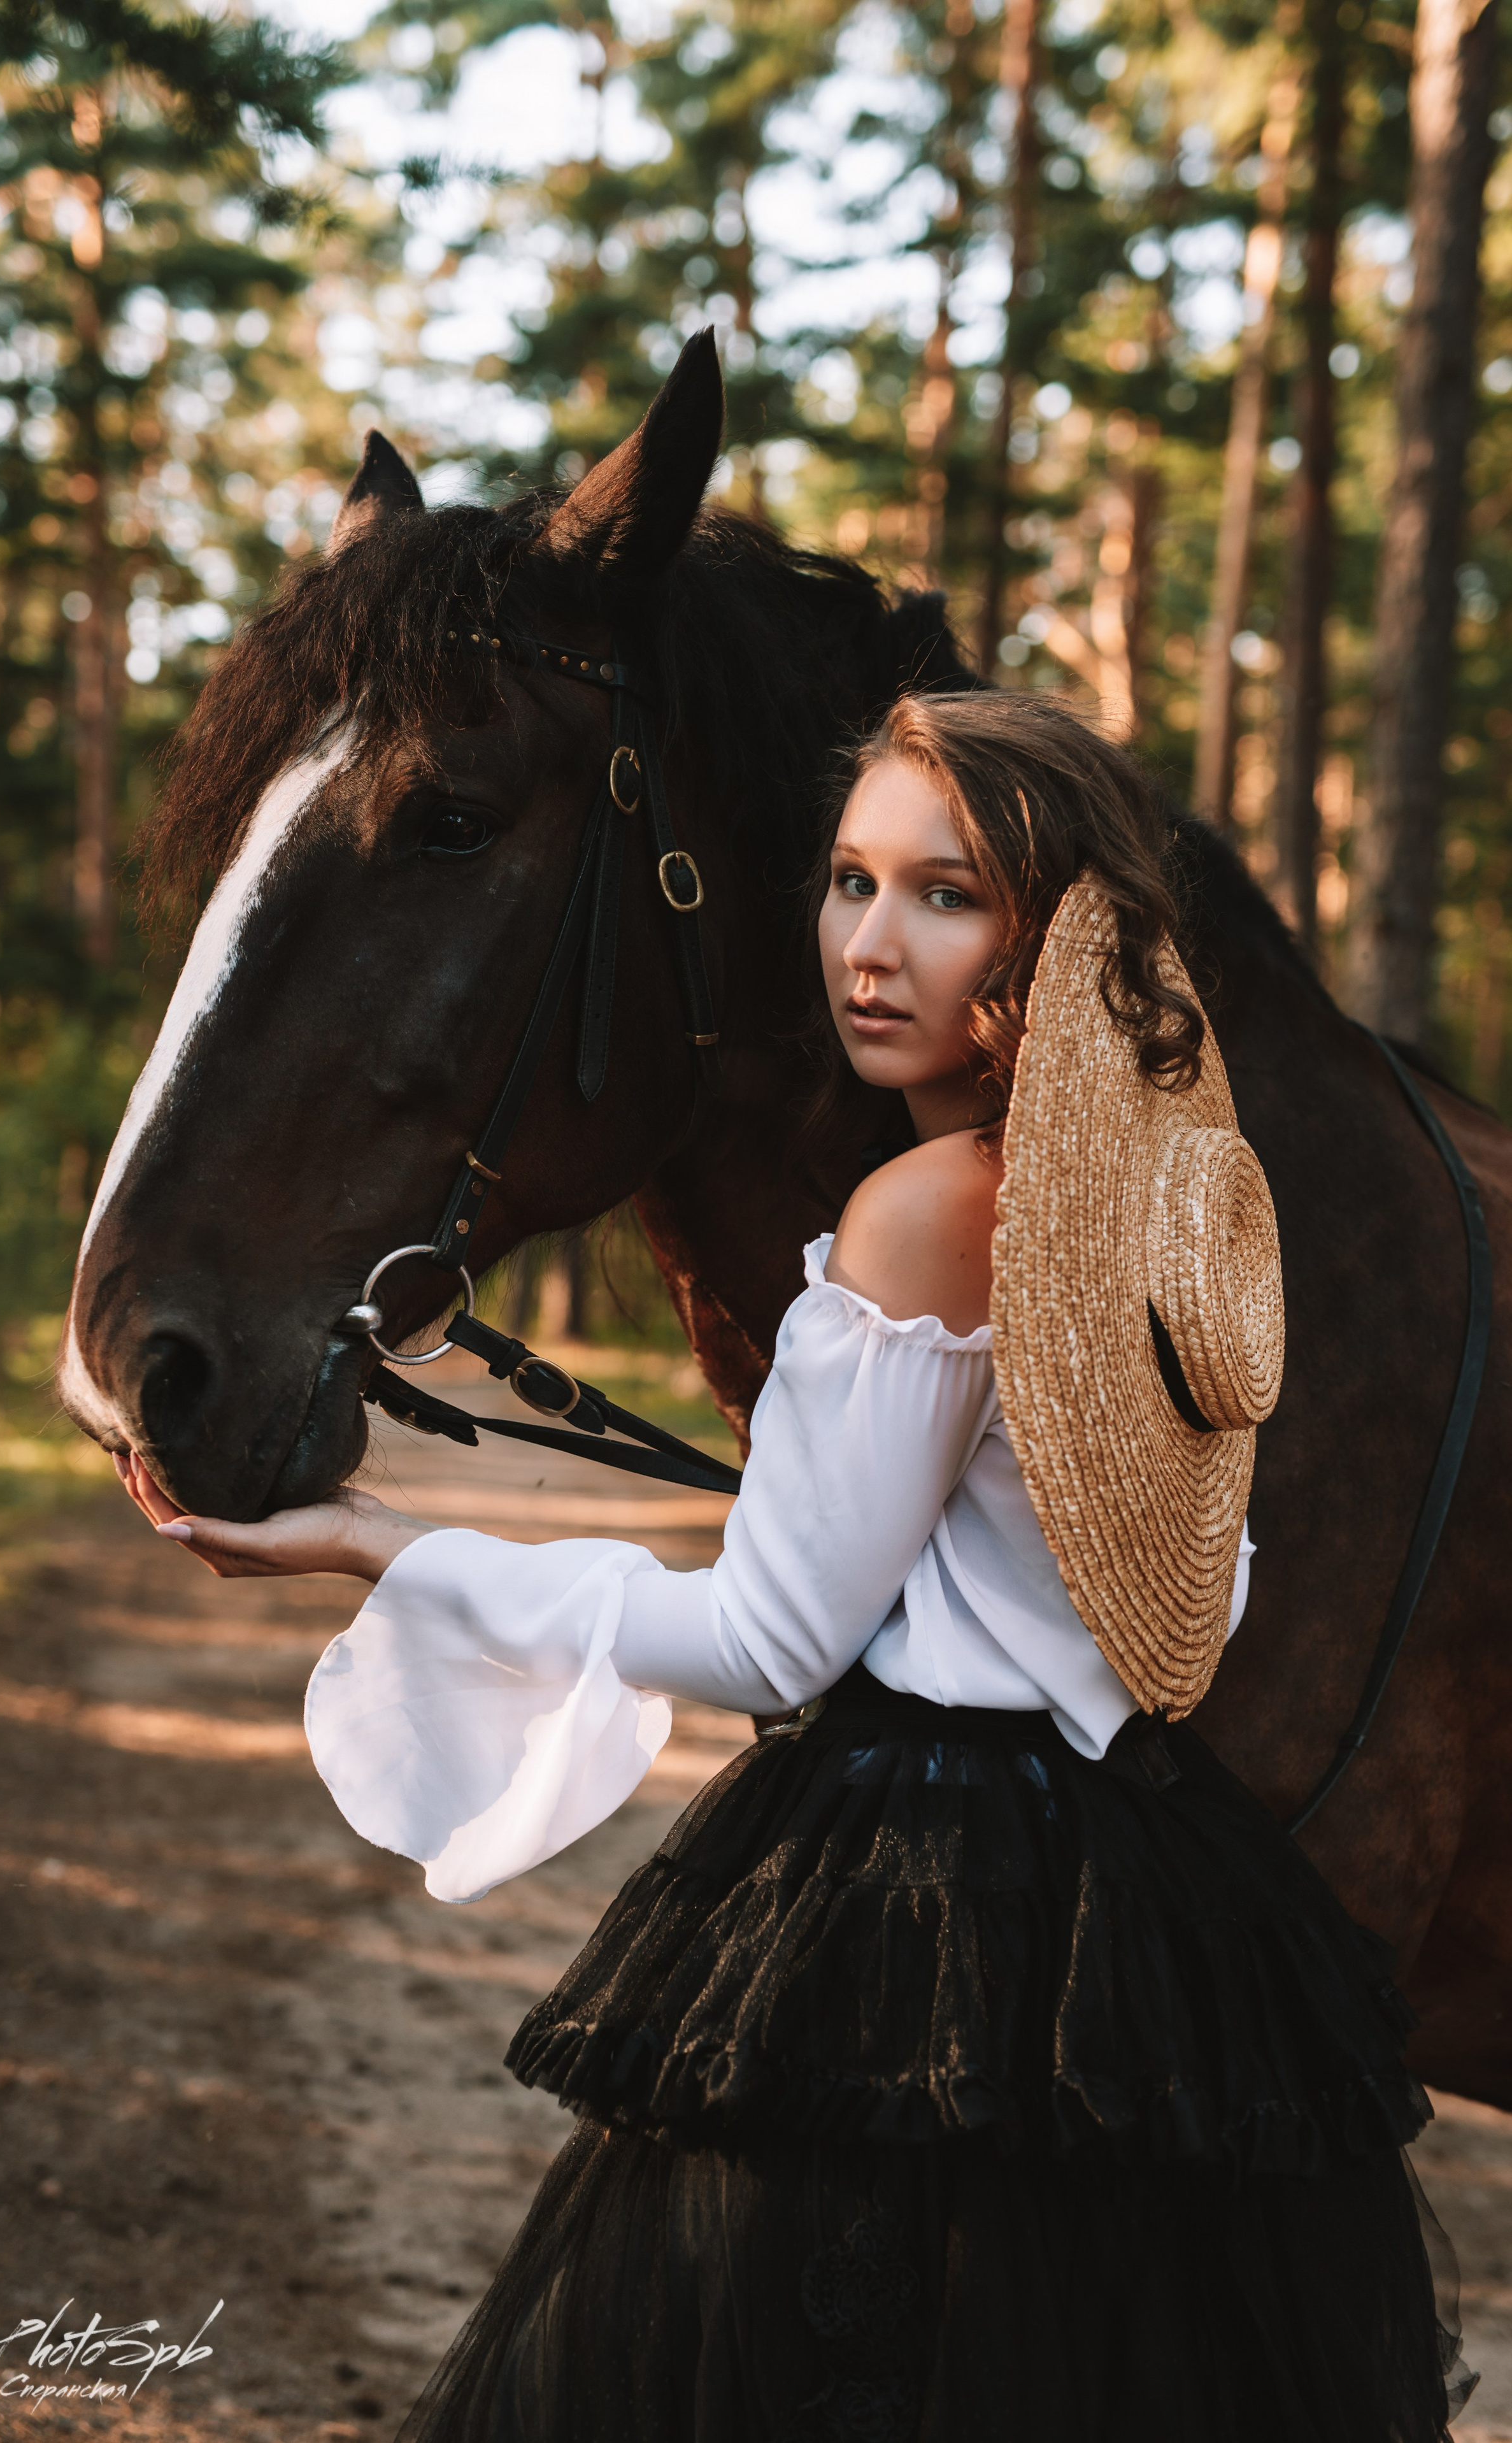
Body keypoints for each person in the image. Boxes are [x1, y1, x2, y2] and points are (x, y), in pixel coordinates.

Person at [118, 689, 1469, 2442]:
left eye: (944, 893)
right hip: (1139, 1886)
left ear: (1052, 938)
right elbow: (1185, 1608)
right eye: (848, 880)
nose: (868, 945)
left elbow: (765, 1638)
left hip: (922, 1901)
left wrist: (388, 1544)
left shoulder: (931, 1209)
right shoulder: (1163, 1190)